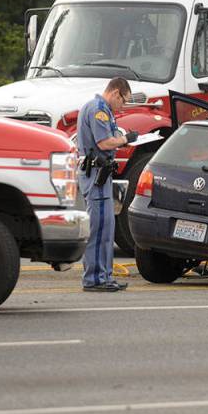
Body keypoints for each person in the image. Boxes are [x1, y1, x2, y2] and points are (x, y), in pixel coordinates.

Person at [77, 77, 137, 292]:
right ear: (115, 92)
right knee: (99, 229)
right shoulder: (98, 109)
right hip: (96, 176)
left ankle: (104, 276)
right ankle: (95, 279)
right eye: (124, 100)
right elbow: (104, 142)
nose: (123, 105)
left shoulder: (102, 110)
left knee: (106, 228)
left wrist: (121, 138)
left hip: (100, 175)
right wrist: (125, 138)